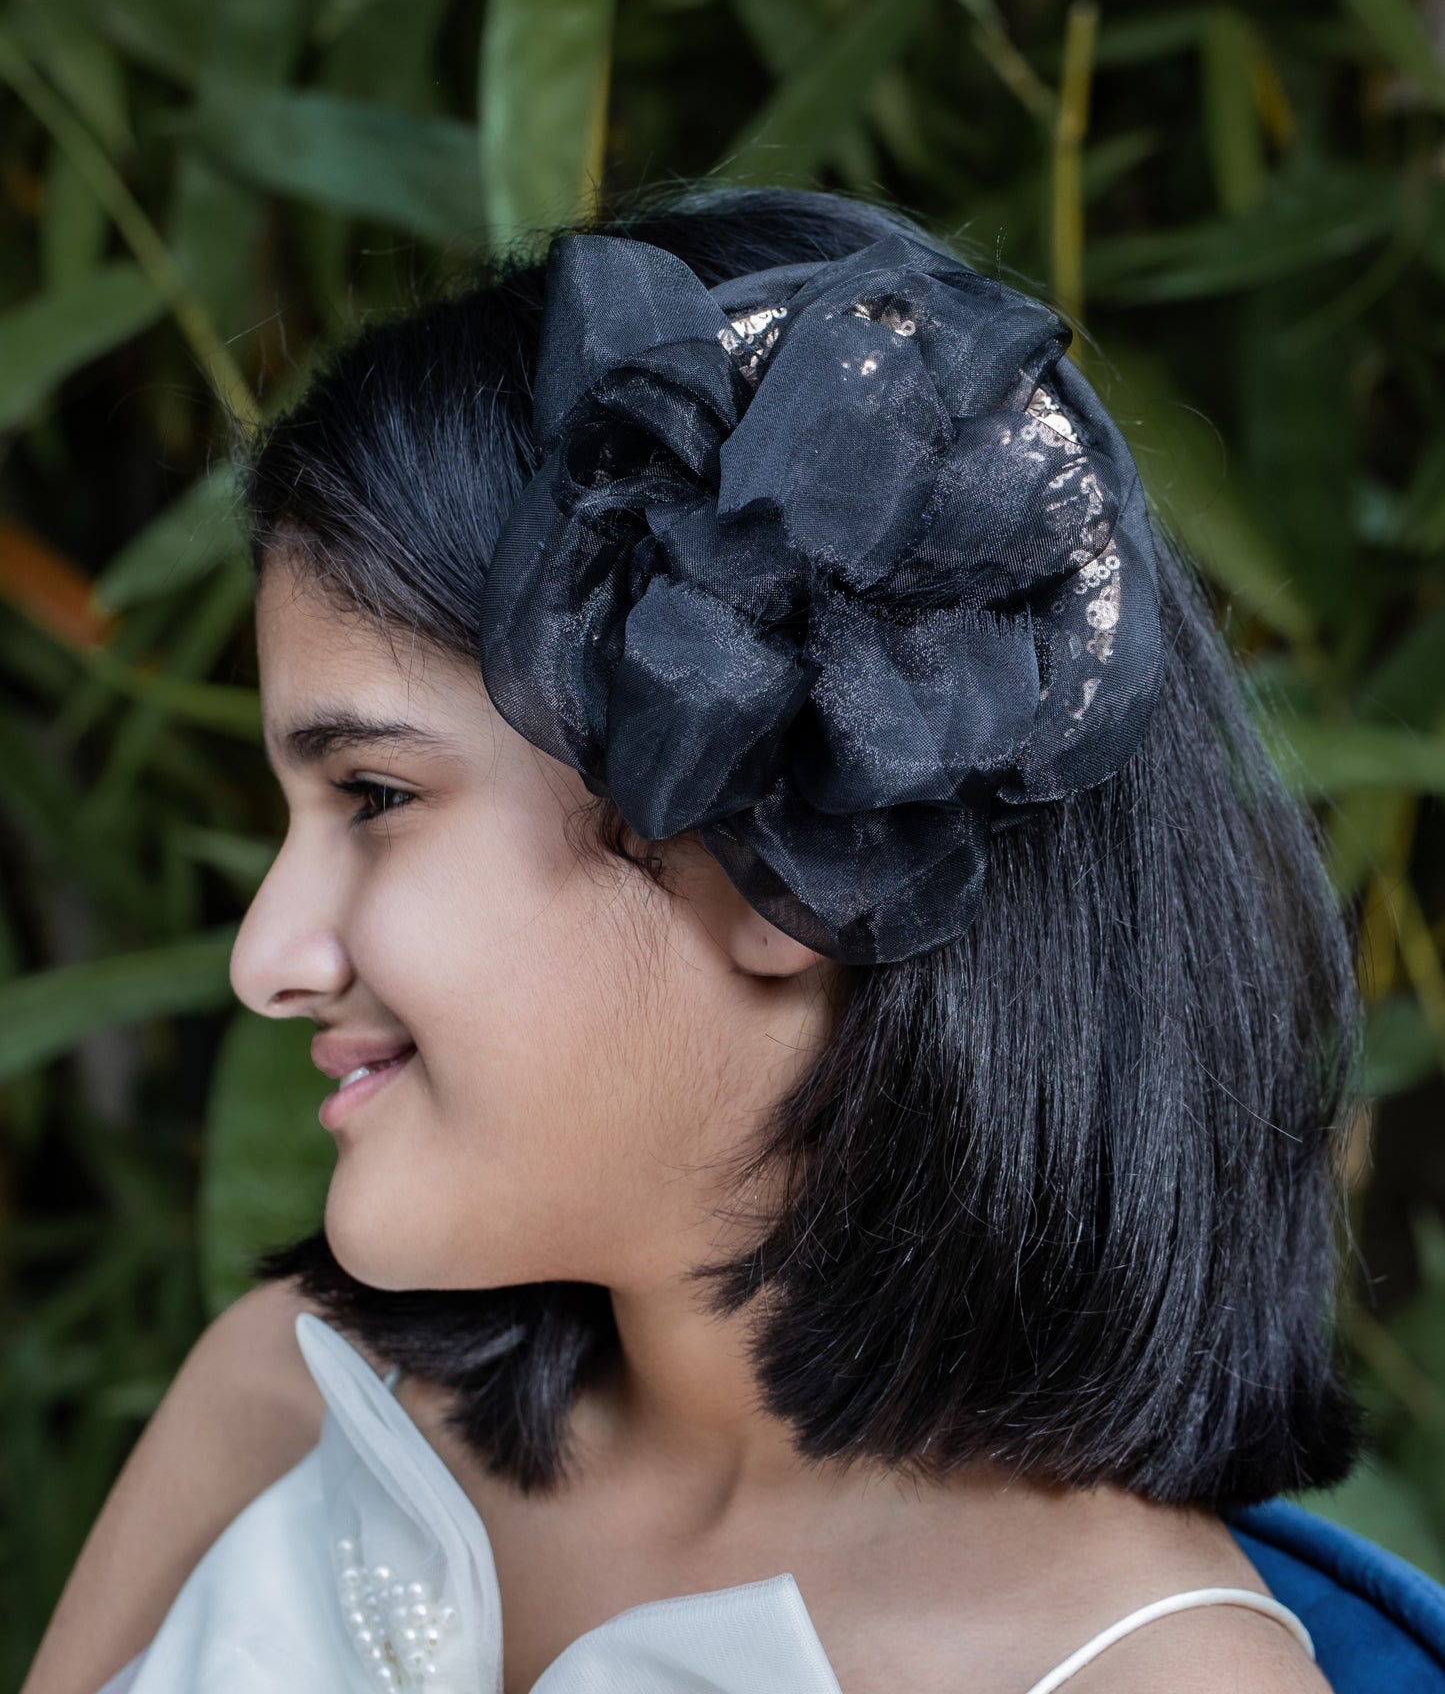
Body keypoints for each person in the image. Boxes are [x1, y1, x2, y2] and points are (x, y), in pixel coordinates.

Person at [21, 185, 1420, 1694]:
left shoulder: (1133, 1677)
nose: (265, 955)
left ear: (788, 853)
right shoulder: (284, 1391)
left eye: (371, 793)